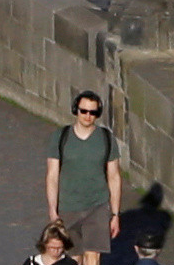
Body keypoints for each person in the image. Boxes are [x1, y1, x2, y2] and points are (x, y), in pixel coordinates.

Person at [45, 89, 119, 255]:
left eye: (92, 112)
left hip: (97, 206)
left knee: (93, 258)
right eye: (83, 111)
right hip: (68, 207)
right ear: (75, 110)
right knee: (73, 259)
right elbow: (52, 176)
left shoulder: (106, 138)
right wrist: (52, 209)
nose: (87, 116)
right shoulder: (60, 137)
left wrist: (115, 214)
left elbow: (114, 177)